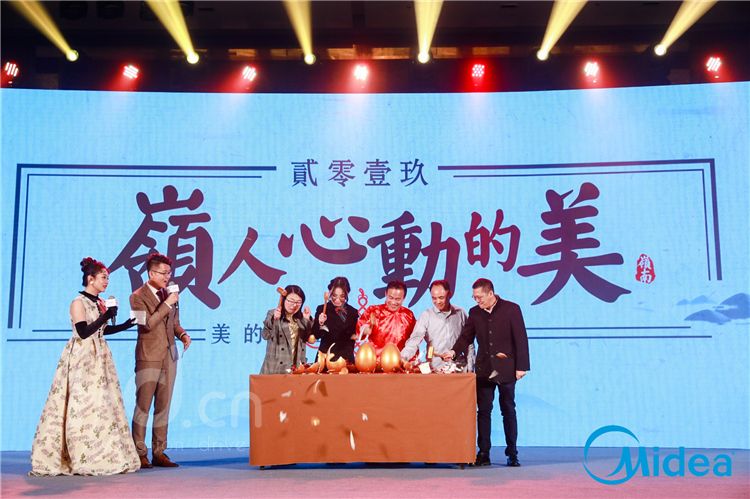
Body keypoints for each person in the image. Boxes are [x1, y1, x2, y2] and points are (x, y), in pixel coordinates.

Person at [30, 257, 140, 476]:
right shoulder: (78, 302)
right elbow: (83, 332)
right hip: (82, 357)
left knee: (103, 402)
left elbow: (102, 331)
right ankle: (79, 453)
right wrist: (105, 316)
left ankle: (102, 452)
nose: (106, 282)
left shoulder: (99, 302)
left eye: (107, 278)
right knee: (82, 402)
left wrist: (125, 325)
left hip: (100, 356)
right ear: (90, 278)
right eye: (103, 277)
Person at [442, 278, 530, 467]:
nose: (477, 301)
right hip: (484, 369)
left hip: (506, 368)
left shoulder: (511, 309)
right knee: (483, 411)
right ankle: (483, 453)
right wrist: (453, 352)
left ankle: (512, 453)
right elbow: (466, 337)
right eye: (474, 297)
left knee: (508, 410)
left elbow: (521, 339)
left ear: (491, 294)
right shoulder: (475, 312)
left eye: (480, 297)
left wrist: (521, 367)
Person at [130, 252, 191, 469]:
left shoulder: (170, 293)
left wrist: (182, 334)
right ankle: (139, 453)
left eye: (169, 273)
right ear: (151, 273)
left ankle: (159, 452)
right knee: (143, 406)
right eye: (163, 273)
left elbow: (173, 323)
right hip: (148, 356)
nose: (167, 277)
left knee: (164, 406)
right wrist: (167, 303)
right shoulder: (137, 296)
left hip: (169, 356)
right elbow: (146, 324)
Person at [400, 279, 474, 371]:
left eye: (441, 297)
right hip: (435, 370)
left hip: (459, 369)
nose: (438, 301)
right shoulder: (426, 316)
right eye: (434, 298)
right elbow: (414, 341)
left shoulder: (460, 313)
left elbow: (468, 343)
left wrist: (471, 369)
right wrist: (402, 358)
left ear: (449, 294)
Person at [356, 280, 416, 357]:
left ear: (404, 298)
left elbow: (415, 339)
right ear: (385, 294)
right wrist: (364, 330)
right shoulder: (373, 311)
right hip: (376, 361)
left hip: (400, 361)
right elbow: (359, 330)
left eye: (397, 299)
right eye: (391, 298)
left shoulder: (409, 315)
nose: (393, 302)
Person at [260, 284, 312, 374]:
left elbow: (310, 339)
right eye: (291, 301)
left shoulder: (302, 318)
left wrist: (307, 320)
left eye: (298, 302)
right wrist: (274, 319)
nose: (294, 305)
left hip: (296, 368)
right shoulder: (273, 314)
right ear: (284, 300)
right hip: (275, 368)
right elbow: (265, 335)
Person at [310, 277, 358, 365]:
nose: (337, 300)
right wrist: (320, 323)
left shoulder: (353, 312)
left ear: (347, 294)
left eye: (342, 296)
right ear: (329, 293)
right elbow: (316, 335)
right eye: (334, 295)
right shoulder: (322, 309)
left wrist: (361, 332)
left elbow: (353, 335)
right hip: (325, 358)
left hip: (345, 359)